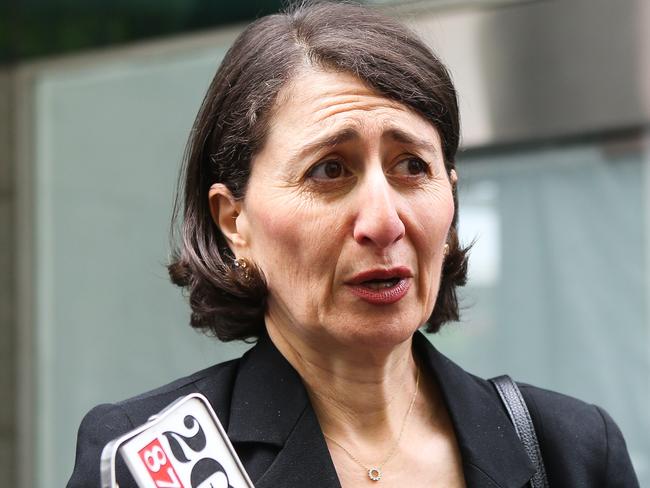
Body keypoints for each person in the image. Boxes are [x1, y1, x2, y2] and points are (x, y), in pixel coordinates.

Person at [67, 2, 639, 487]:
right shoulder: (150, 460)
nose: (383, 221)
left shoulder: (574, 452)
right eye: (330, 170)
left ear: (452, 197)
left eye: (412, 166)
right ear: (233, 221)